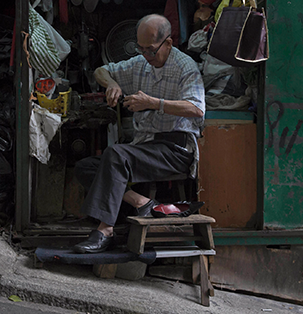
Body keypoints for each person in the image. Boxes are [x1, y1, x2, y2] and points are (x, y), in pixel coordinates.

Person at [73, 14, 205, 253]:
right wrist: (112, 84)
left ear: (168, 43)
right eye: (141, 49)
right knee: (85, 166)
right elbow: (101, 70)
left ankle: (105, 230)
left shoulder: (186, 68)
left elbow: (196, 109)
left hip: (174, 149)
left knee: (116, 155)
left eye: (151, 50)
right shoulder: (140, 64)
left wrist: (154, 103)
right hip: (145, 145)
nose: (146, 56)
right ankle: (142, 203)